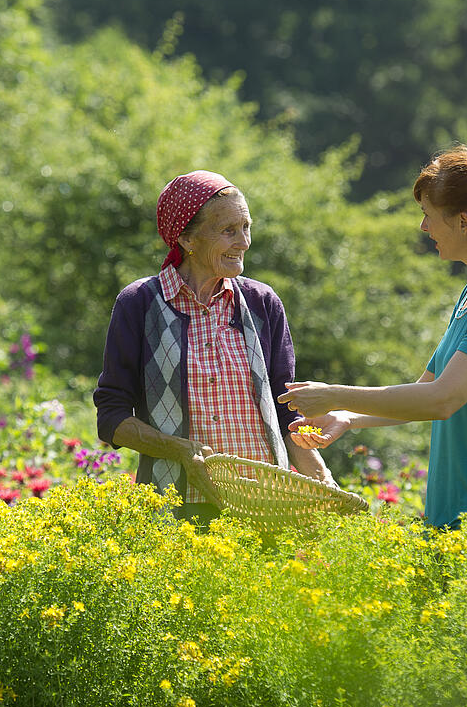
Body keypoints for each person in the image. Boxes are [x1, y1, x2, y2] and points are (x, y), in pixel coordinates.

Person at [278, 145, 467, 552]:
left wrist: (333, 392)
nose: (424, 227)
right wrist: (347, 416)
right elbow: (424, 389)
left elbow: (442, 400)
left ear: (463, 222)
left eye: (429, 215)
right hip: (456, 526)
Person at [94, 170, 333, 525]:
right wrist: (180, 450)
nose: (244, 242)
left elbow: (288, 411)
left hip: (267, 504)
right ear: (187, 238)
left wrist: (321, 479)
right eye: (228, 231)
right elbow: (111, 418)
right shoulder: (140, 304)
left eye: (246, 227)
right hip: (178, 508)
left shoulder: (261, 302)